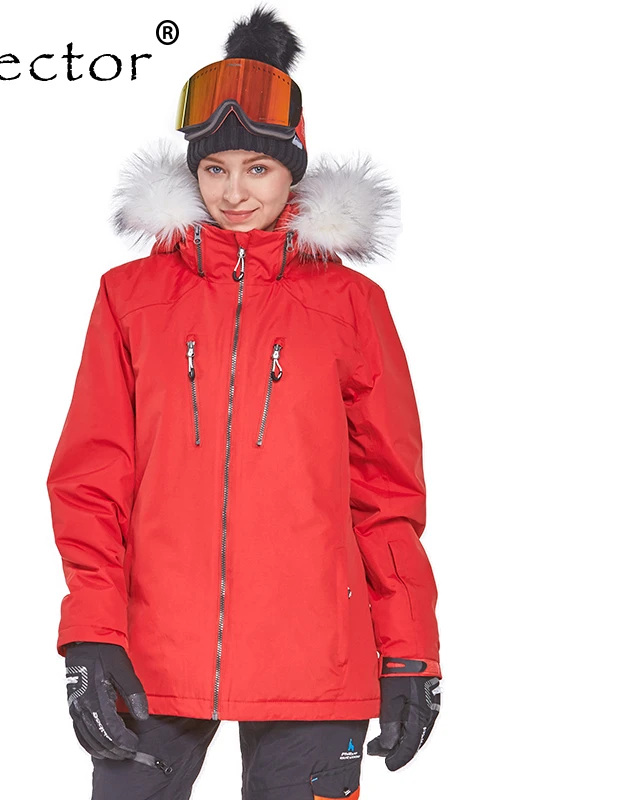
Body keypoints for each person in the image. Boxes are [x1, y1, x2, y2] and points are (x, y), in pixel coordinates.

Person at [46, 6, 442, 799]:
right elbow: (91, 481)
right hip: (152, 651)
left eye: (257, 169)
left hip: (316, 654)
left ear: (293, 171)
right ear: (190, 173)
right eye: (215, 168)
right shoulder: (130, 298)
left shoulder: (351, 305)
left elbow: (386, 495)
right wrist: (90, 633)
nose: (234, 192)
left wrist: (410, 651)